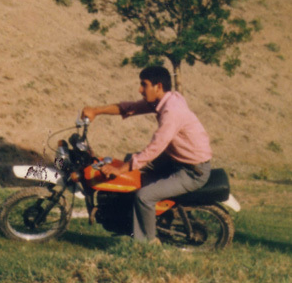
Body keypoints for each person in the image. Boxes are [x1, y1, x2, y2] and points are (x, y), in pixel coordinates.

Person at [81, 65, 212, 243]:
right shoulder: (165, 100)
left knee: (144, 196)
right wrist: (96, 111)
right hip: (176, 158)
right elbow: (129, 107)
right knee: (131, 167)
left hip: (192, 171)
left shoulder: (172, 111)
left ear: (158, 86)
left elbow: (155, 147)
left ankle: (146, 244)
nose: (140, 89)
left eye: (144, 84)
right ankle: (127, 216)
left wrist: (120, 170)